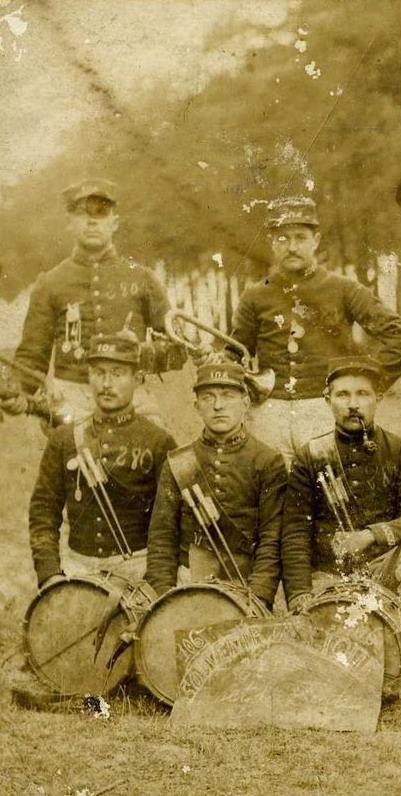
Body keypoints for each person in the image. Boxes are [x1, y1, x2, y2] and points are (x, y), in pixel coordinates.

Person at [282, 357, 401, 709]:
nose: (353, 403)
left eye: (363, 394)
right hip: (329, 578)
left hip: (382, 573)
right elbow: (295, 530)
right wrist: (299, 593)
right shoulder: (311, 455)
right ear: (327, 400)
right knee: (333, 673)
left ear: (378, 399)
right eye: (343, 395)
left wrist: (375, 534)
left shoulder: (400, 450)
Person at [230, 196, 401, 463]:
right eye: (283, 238)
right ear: (271, 242)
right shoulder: (255, 295)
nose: (292, 247)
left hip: (324, 409)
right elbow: (235, 352)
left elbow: (399, 336)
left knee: (333, 495)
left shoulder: (343, 288)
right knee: (270, 495)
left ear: (316, 240)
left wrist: (365, 384)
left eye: (300, 237)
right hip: (269, 413)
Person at [1, 179, 184, 427]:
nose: (91, 221)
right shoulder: (50, 283)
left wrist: (138, 354)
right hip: (72, 400)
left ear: (114, 223)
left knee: (156, 452)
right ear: (69, 222)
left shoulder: (143, 278)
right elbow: (32, 358)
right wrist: (16, 393)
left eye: (101, 212)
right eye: (81, 213)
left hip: (133, 398)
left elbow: (179, 350)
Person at [28, 334, 177, 587]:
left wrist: (158, 583)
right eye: (99, 372)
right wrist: (50, 573)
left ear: (137, 379)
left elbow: (171, 521)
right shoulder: (64, 439)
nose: (106, 383)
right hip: (78, 568)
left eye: (117, 373)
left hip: (137, 570)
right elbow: (43, 511)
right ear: (89, 376)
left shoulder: (158, 441)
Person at [144, 362, 286, 609]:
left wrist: (258, 597)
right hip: (188, 586)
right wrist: (165, 598)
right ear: (197, 406)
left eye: (228, 396)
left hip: (245, 589)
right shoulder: (178, 463)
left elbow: (271, 538)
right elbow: (162, 538)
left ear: (245, 402)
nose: (218, 406)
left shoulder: (267, 461)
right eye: (208, 397)